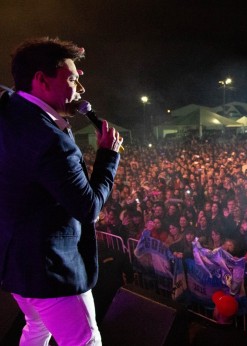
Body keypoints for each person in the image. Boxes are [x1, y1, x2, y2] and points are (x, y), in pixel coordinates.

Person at [0, 37, 122, 345]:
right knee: (85, 340)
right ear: (41, 79)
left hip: (15, 262)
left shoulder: (10, 111)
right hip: (52, 269)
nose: (80, 91)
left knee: (36, 328)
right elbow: (89, 208)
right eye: (71, 79)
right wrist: (108, 156)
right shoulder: (50, 141)